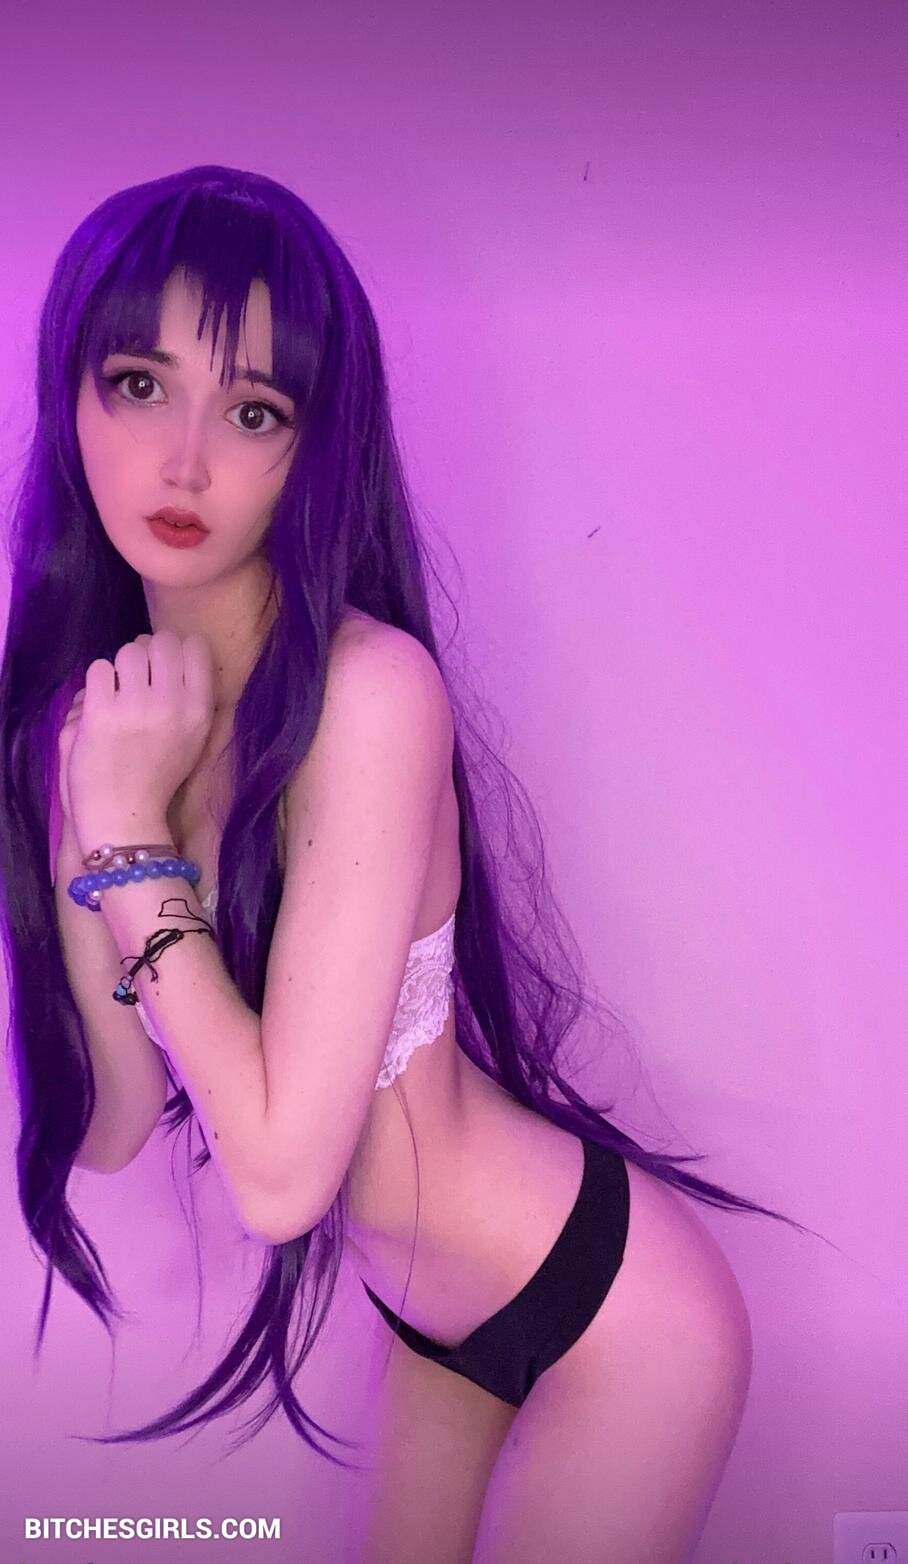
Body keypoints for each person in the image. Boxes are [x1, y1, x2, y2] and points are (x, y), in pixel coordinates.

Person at [0, 165, 834, 1563]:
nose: (185, 459)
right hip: (425, 1317)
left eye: (253, 411)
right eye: (140, 386)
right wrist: (91, 809)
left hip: (611, 1311)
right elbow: (118, 1121)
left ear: (313, 447)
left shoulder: (369, 695)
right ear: (68, 395)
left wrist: (133, 845)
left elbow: (280, 1181)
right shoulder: (107, 730)